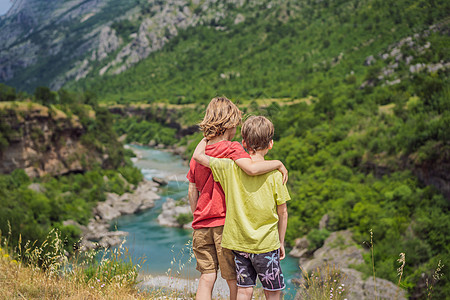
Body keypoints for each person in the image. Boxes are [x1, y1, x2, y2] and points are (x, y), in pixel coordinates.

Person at [187, 97, 288, 300]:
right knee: (235, 281)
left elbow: (192, 190)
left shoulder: (201, 153)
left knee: (207, 276)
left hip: (201, 224)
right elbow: (251, 169)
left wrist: (197, 215)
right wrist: (277, 163)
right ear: (231, 125)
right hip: (227, 227)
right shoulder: (232, 151)